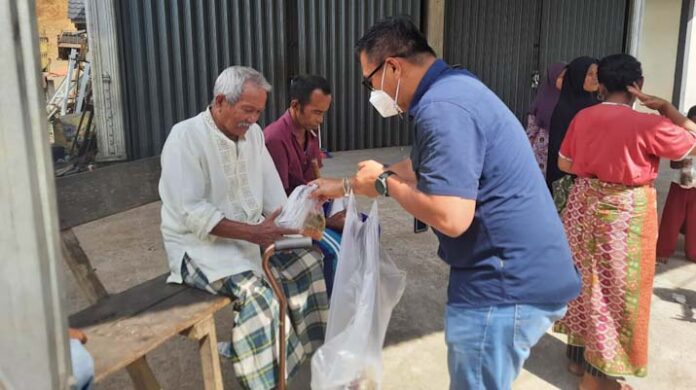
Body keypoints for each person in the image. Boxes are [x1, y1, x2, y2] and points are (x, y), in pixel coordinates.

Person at [311, 17, 581, 390]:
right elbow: (428, 167)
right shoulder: (454, 88)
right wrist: (345, 185)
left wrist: (384, 183)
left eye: (369, 82)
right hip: (510, 269)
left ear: (392, 67)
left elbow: (452, 216)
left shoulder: (444, 107)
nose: (372, 93)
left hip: (505, 283)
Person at [158, 66, 328, 390]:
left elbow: (273, 196)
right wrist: (255, 234)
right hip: (198, 248)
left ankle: (283, 361)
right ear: (221, 101)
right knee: (260, 297)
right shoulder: (186, 137)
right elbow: (192, 212)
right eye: (247, 110)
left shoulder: (253, 136)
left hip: (250, 240)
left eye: (258, 112)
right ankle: (264, 379)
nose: (252, 119)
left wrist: (305, 221)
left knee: (309, 263)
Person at [554, 54, 696, 390]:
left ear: (600, 85)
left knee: (583, 283)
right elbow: (692, 140)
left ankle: (578, 361)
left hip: (583, 206)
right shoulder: (651, 125)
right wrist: (665, 107)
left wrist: (596, 173)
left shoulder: (583, 117)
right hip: (624, 212)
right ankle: (595, 378)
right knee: (615, 293)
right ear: (638, 87)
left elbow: (564, 162)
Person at [264, 75, 344, 296]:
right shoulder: (274, 139)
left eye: (324, 113)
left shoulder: (310, 133)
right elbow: (278, 202)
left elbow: (313, 180)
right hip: (289, 215)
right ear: (295, 106)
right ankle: (330, 308)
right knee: (335, 249)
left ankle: (351, 295)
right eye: (317, 112)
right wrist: (324, 220)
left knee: (365, 227)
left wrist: (326, 199)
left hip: (310, 206)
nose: (321, 120)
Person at [546, 56, 599, 207]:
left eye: (597, 74)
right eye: (589, 74)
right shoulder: (565, 109)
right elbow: (559, 147)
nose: (595, 79)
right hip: (568, 178)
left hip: (594, 179)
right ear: (577, 76)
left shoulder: (598, 106)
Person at [656, 105, 696, 264]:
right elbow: (673, 163)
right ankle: (663, 250)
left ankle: (693, 252)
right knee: (672, 218)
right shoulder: (682, 136)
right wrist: (682, 159)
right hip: (679, 183)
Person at [526, 62, 567, 175]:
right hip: (540, 155)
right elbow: (531, 131)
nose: (565, 81)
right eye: (561, 77)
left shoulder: (569, 102)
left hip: (560, 154)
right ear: (552, 78)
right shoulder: (542, 101)